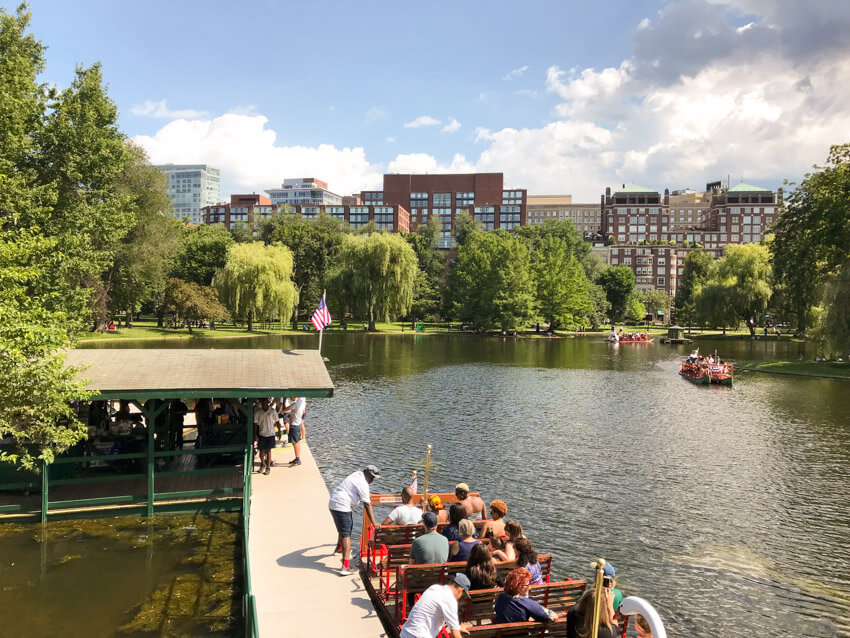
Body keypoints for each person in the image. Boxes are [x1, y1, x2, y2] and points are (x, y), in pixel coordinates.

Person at [328, 465, 381, 576]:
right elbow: (367, 505)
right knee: (347, 535)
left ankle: (339, 548)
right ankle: (345, 567)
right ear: (369, 475)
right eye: (372, 477)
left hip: (333, 502)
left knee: (342, 529)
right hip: (343, 505)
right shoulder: (363, 484)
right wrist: (374, 523)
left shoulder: (357, 474)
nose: (373, 480)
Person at [399, 572, 471, 638]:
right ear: (461, 589)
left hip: (406, 632)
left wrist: (456, 627)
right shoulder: (450, 600)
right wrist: (456, 629)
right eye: (463, 595)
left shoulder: (434, 588)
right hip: (419, 635)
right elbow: (456, 635)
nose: (461, 597)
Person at [494, 567, 560, 623]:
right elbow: (548, 616)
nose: (530, 587)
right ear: (519, 587)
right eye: (527, 585)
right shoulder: (527, 603)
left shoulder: (501, 597)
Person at [255, 399, 278, 475]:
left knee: (268, 451)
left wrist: (279, 432)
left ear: (268, 403)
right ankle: (262, 464)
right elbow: (255, 424)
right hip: (262, 433)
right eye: (263, 402)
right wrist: (255, 434)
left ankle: (268, 467)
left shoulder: (272, 411)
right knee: (261, 451)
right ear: (261, 403)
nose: (265, 403)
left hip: (270, 434)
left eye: (266, 402)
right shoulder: (258, 412)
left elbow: (277, 421)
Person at [283, 396, 306, 465]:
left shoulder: (294, 404)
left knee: (295, 443)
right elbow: (303, 412)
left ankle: (298, 459)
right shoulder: (301, 401)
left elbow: (284, 410)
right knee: (297, 442)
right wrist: (293, 414)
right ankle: (297, 457)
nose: (290, 398)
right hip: (298, 423)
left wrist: (284, 400)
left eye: (290, 397)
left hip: (294, 425)